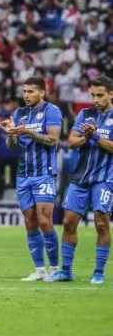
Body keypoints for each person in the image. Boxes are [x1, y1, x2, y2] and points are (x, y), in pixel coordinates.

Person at [48, 76, 113, 284]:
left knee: (101, 223)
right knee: (68, 222)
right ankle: (66, 271)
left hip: (105, 178)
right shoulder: (85, 114)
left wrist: (95, 137)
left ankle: (99, 272)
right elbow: (72, 142)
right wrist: (87, 136)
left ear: (111, 94)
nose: (95, 99)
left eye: (100, 95)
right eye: (93, 95)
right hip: (80, 177)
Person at [1, 76, 62, 281]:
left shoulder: (51, 111)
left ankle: (54, 269)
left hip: (44, 174)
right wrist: (11, 134)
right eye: (24, 91)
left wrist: (29, 132)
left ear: (41, 93)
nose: (26, 95)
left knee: (45, 222)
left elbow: (53, 141)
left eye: (30, 91)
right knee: (30, 222)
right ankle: (39, 270)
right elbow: (11, 146)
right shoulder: (19, 113)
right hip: (23, 175)